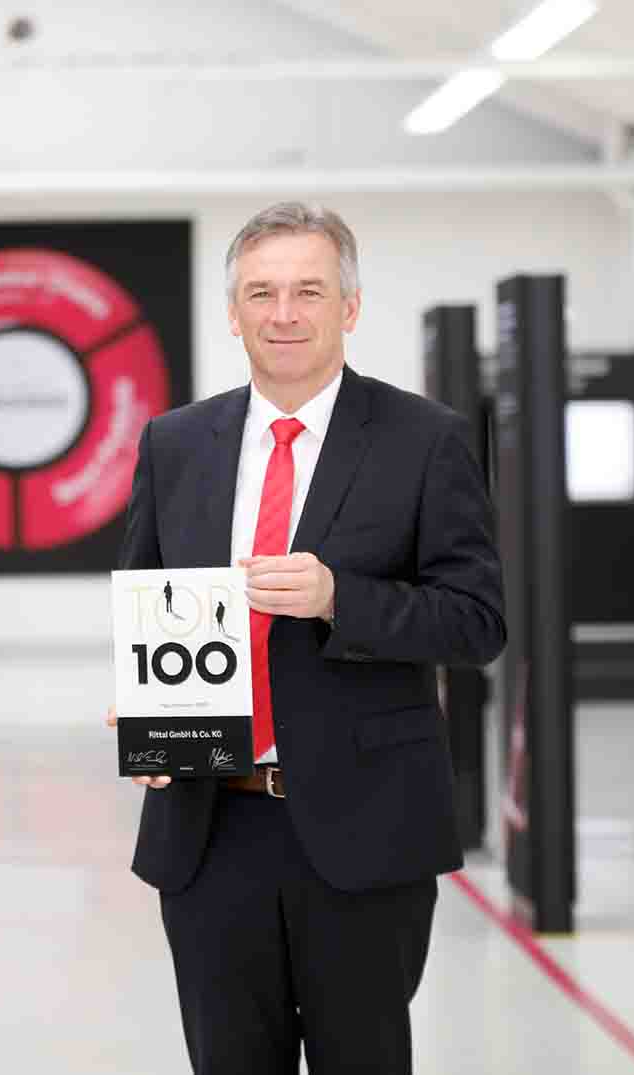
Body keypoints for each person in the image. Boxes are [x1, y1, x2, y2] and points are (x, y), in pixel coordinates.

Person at [111, 202, 505, 1073]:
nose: (282, 313)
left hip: (366, 829)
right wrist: (144, 713)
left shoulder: (424, 439)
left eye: (307, 291)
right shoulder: (175, 443)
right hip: (209, 828)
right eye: (261, 292)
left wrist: (339, 598)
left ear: (348, 307)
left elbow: (476, 620)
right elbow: (150, 598)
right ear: (233, 312)